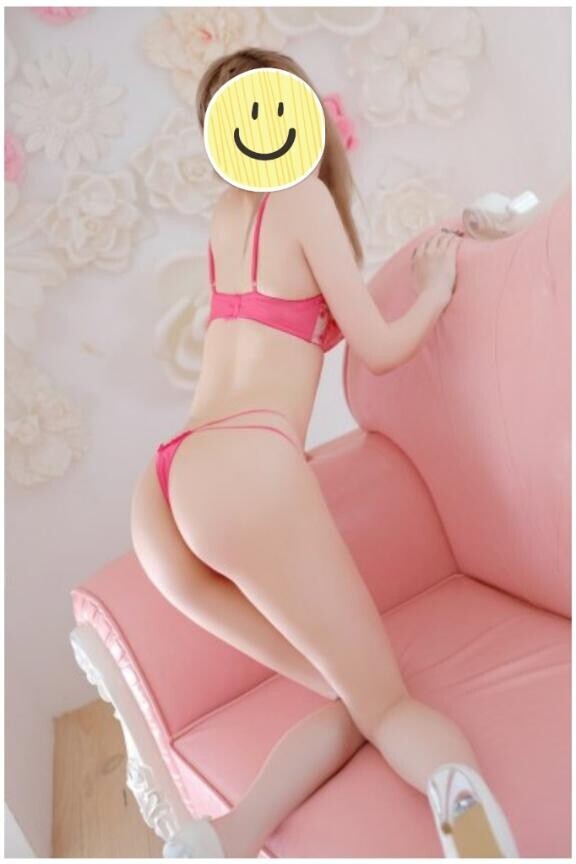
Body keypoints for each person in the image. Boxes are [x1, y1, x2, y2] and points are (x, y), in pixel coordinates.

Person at [130, 48, 518, 859]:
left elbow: (289, 324)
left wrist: (452, 232)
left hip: (166, 489)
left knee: (349, 692)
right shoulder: (301, 198)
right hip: (244, 470)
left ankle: (226, 837)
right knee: (387, 704)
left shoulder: (227, 215)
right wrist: (438, 293)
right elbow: (377, 346)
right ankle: (473, 827)